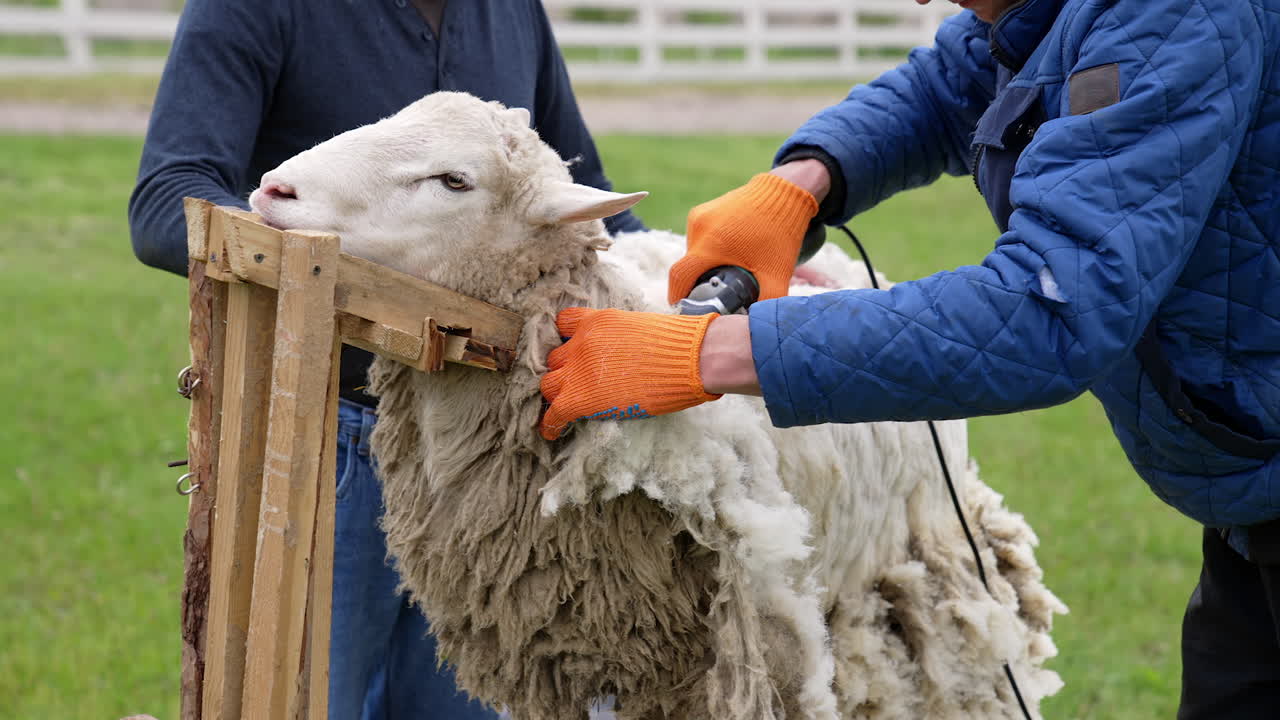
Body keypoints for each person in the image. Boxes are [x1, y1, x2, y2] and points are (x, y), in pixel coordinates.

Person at [538, 0, 1280, 717]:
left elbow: (1047, 307)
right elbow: (946, 88)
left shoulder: (1181, 13)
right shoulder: (1035, 15)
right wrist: (802, 181)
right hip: (1253, 497)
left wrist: (712, 352)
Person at [128, 1, 640, 717]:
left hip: (483, 475)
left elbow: (582, 204)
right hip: (315, 443)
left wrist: (713, 281)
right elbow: (163, 203)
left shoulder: (509, 11)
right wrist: (307, 263)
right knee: (305, 702)